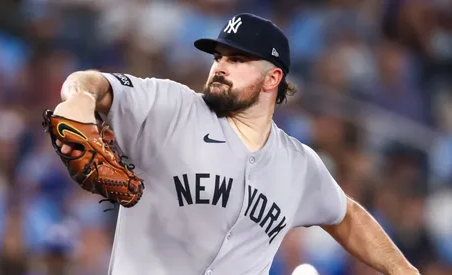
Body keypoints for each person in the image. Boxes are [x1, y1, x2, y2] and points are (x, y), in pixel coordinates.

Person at [52, 13, 419, 275]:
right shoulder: (172, 107)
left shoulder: (299, 165)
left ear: (273, 77)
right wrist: (81, 97)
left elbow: (348, 216)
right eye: (218, 57)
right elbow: (90, 83)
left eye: (238, 59)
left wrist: (403, 270)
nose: (220, 67)